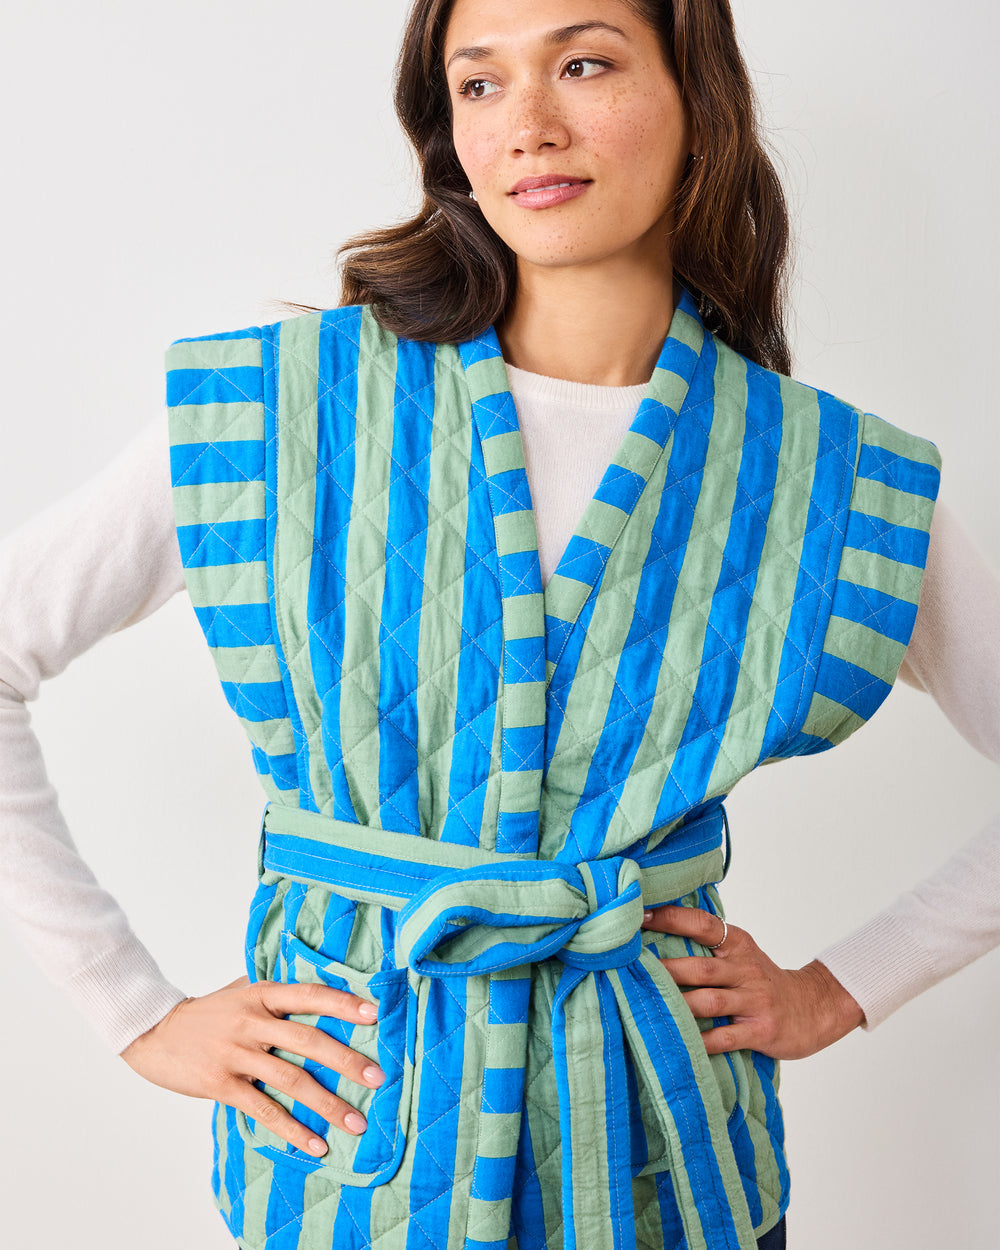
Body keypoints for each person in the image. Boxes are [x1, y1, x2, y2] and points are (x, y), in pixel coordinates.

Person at [0, 1, 996, 1247]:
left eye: (583, 63)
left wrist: (842, 987)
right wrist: (132, 1008)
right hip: (347, 1158)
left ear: (700, 102)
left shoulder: (831, 480)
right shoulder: (283, 409)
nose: (527, 124)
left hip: (669, 1165)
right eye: (479, 84)